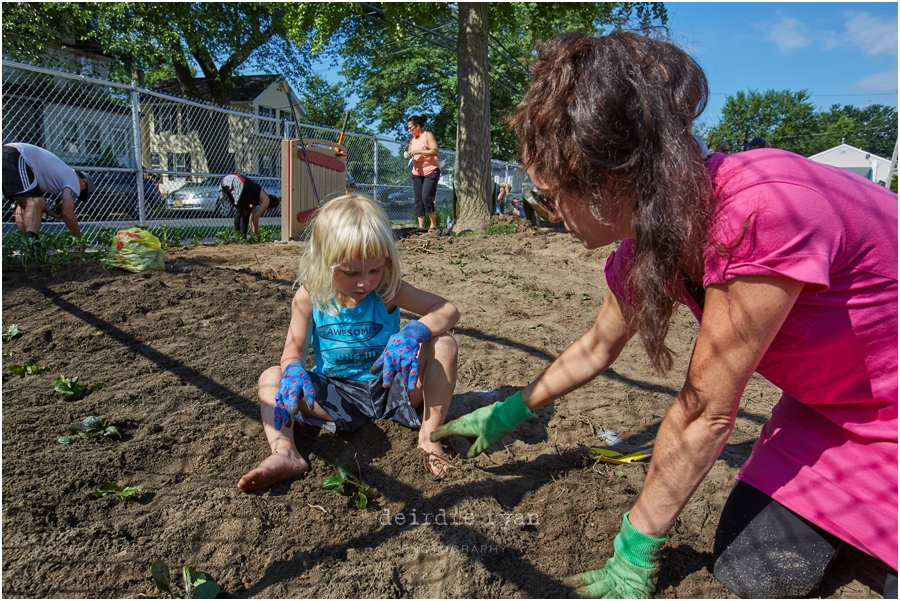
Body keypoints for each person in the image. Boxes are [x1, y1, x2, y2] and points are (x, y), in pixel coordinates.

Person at [432, 31, 897, 599]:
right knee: (753, 573)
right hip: (826, 410)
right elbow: (597, 347)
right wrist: (506, 413)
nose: (548, 215)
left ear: (606, 181)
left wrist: (633, 551)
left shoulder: (759, 210)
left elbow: (706, 414)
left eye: (550, 198)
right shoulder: (652, 238)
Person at [238, 193, 459, 492]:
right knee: (270, 377)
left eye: (375, 269)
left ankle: (428, 437)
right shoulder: (310, 297)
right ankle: (284, 452)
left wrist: (414, 332)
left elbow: (447, 310)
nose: (364, 282)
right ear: (324, 260)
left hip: (389, 384)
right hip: (335, 394)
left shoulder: (387, 291)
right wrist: (292, 370)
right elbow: (293, 350)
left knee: (444, 344)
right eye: (350, 272)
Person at [2, 142, 94, 241]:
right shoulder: (73, 178)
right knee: (35, 201)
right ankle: (34, 247)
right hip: (17, 154)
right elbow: (67, 212)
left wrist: (49, 212)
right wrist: (79, 240)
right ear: (83, 181)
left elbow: (30, 203)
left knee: (24, 203)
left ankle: (27, 244)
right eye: (82, 191)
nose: (78, 193)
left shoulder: (54, 173)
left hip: (7, 153)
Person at [404, 115, 440, 233]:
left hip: (431, 171)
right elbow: (411, 153)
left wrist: (419, 151)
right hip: (417, 172)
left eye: (411, 128)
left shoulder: (427, 135)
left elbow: (435, 151)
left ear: (418, 126)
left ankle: (433, 225)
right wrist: (409, 156)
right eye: (408, 129)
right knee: (418, 200)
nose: (409, 131)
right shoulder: (412, 140)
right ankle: (421, 227)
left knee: (426, 197)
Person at [219, 173, 280, 239]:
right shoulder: (266, 200)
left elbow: (251, 217)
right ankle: (242, 237)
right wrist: (257, 234)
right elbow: (256, 218)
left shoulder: (256, 198)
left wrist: (254, 232)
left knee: (241, 209)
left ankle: (237, 236)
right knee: (245, 210)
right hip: (237, 181)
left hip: (226, 181)